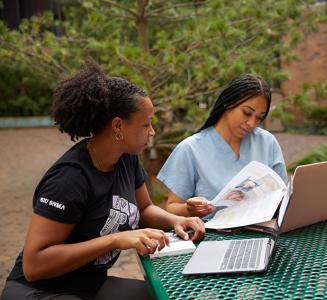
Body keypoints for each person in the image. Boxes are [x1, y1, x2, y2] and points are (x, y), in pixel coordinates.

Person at [0, 61, 205, 300]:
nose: (152, 132)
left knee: (169, 296)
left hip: (88, 285)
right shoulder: (69, 178)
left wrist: (177, 220)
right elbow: (34, 266)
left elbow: (144, 209)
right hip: (39, 291)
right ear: (118, 126)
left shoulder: (127, 159)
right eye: (146, 124)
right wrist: (114, 239)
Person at [157, 74, 288, 218]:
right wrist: (190, 210)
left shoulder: (267, 142)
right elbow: (171, 208)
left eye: (259, 118)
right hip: (212, 236)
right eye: (247, 113)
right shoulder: (190, 149)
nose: (252, 123)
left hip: (263, 231)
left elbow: (283, 193)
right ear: (229, 103)